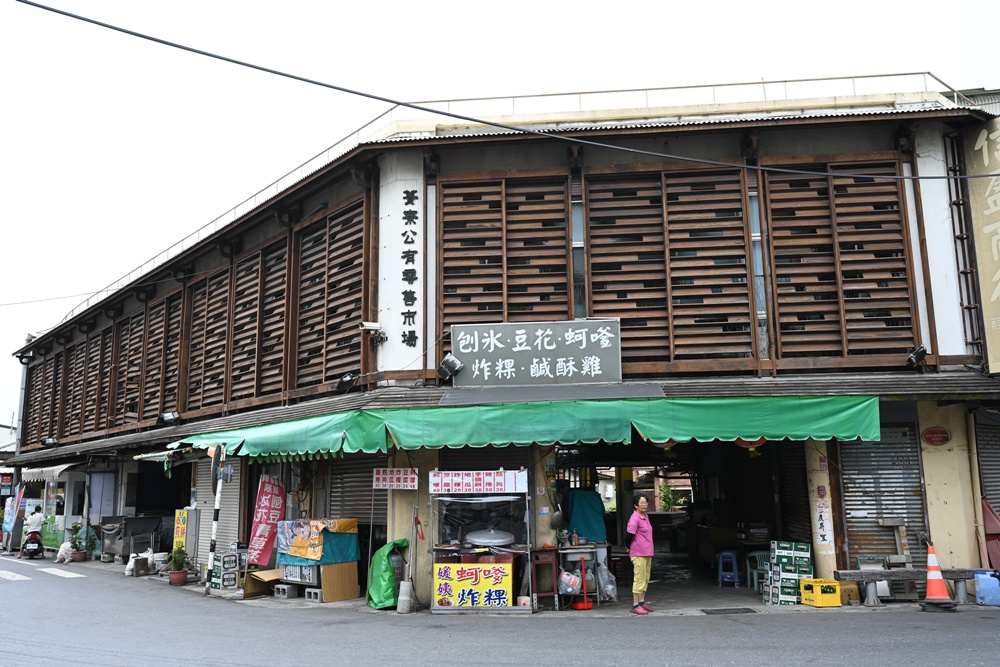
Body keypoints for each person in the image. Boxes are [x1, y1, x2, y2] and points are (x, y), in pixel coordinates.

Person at [625, 492, 654, 615]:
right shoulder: (635, 518)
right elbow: (628, 536)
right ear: (636, 505)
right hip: (638, 553)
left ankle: (642, 602)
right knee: (639, 578)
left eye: (645, 502)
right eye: (642, 503)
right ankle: (635, 605)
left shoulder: (645, 516)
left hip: (647, 552)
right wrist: (628, 547)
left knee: (646, 578)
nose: (644, 505)